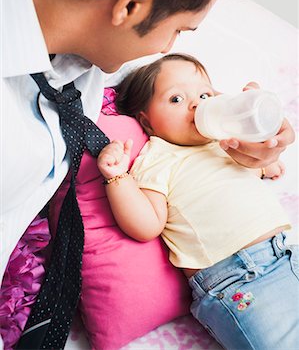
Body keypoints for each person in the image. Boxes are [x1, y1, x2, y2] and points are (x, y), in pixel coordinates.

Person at [1, 0, 295, 347]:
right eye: (179, 31)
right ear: (135, 4)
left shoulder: (80, 48)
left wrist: (261, 139)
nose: (167, 47)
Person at [97, 53, 298, 350]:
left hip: (286, 253)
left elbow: (250, 167)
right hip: (239, 280)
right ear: (146, 121)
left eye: (204, 94)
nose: (196, 104)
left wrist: (263, 162)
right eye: (176, 99)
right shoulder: (158, 157)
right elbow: (147, 225)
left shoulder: (225, 142)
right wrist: (117, 178)